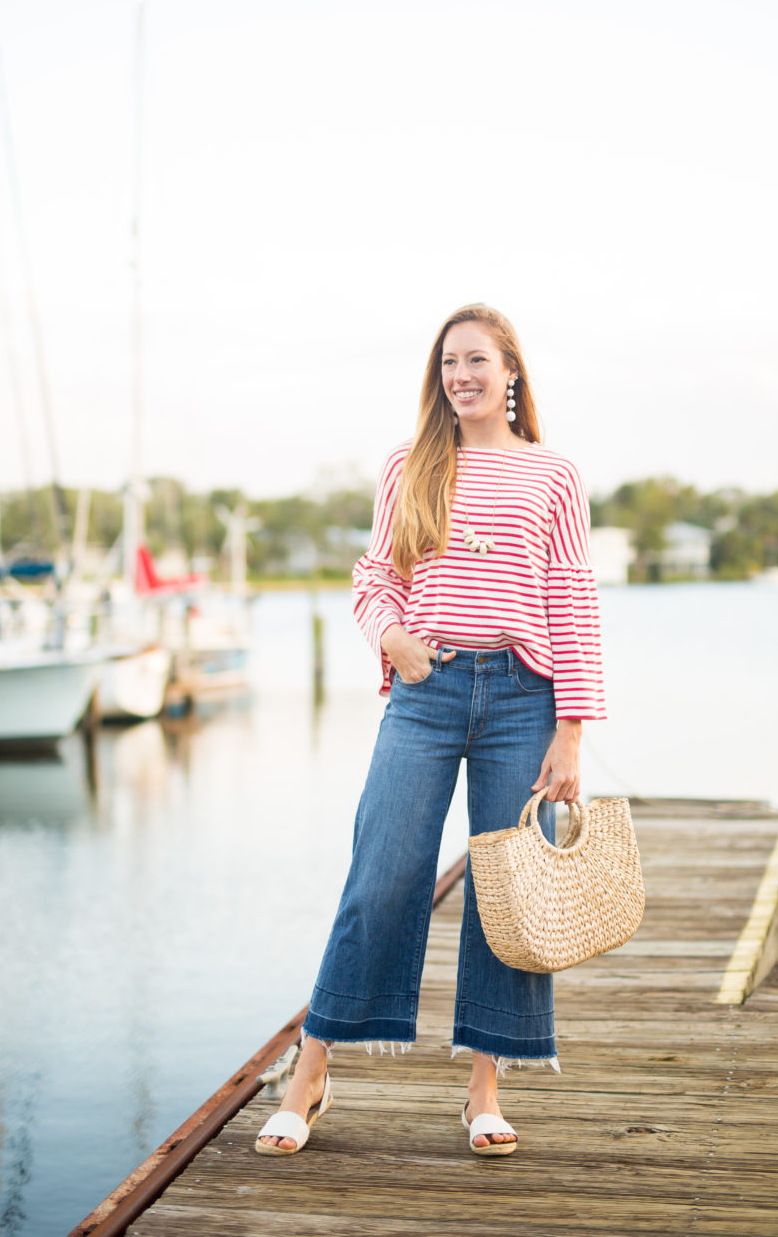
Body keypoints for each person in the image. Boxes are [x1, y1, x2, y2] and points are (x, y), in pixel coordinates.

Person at [256, 304, 606, 1158]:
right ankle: (311, 1073)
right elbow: (375, 575)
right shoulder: (409, 465)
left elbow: (573, 600)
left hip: (524, 694)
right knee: (381, 872)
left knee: (504, 891)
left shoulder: (554, 474)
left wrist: (573, 730)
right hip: (425, 689)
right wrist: (392, 639)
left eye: (478, 361)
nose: (462, 376)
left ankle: (483, 1089)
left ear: (512, 372)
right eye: (450, 362)